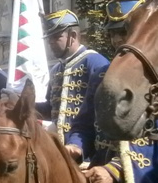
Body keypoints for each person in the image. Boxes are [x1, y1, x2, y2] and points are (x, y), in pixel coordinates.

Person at [83, 0, 158, 183]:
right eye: (113, 33)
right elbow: (84, 124)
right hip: (97, 168)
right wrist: (73, 146)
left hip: (148, 178)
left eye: (124, 31)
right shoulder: (101, 74)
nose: (118, 39)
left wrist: (115, 169)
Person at [37, 10, 109, 165]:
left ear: (73, 36)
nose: (51, 42)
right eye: (49, 38)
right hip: (60, 154)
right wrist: (23, 103)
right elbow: (50, 109)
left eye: (57, 37)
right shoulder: (56, 69)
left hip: (88, 157)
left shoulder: (95, 62)